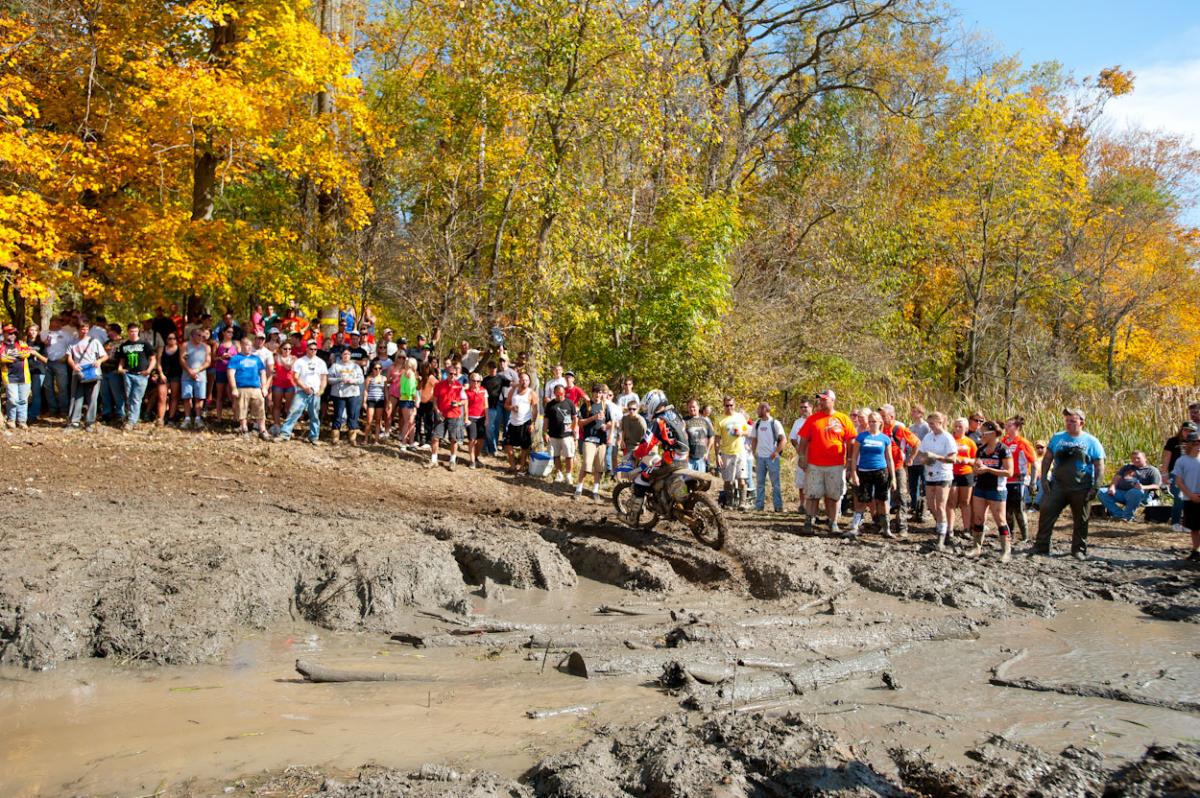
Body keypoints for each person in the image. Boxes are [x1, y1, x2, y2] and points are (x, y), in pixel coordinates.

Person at [1034, 407, 1106, 559]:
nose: (1069, 424)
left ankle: (1078, 550)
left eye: (1072, 421)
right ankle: (1041, 546)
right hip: (1058, 485)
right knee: (1046, 512)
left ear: (1081, 423)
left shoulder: (1092, 442)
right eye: (1067, 421)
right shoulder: (1057, 438)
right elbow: (1047, 458)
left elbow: (1099, 465)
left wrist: (1096, 486)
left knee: (1081, 519)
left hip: (1081, 486)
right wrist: (1044, 478)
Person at [796, 389, 855, 536]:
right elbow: (803, 440)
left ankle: (833, 522)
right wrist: (802, 457)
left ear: (832, 401)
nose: (821, 402)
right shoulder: (813, 419)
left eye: (824, 399)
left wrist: (849, 460)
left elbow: (851, 441)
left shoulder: (843, 418)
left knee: (833, 495)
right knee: (812, 494)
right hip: (814, 464)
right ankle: (809, 521)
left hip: (836, 464)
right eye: (820, 399)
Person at [625, 390, 690, 524]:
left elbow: (646, 444)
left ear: (652, 404)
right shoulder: (675, 414)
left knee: (642, 478)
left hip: (671, 460)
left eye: (647, 406)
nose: (646, 410)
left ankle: (633, 518)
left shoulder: (658, 421)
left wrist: (634, 455)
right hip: (684, 457)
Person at [967, 420, 1014, 561]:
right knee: (978, 518)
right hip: (980, 487)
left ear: (993, 433)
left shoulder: (1003, 450)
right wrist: (977, 469)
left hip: (997, 489)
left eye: (983, 433)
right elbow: (975, 470)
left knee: (1000, 519)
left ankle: (1006, 551)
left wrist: (988, 469)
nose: (981, 435)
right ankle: (976, 547)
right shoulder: (981, 449)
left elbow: (1009, 472)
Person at [847, 411, 894, 539]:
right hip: (864, 471)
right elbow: (854, 456)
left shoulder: (885, 438)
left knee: (882, 500)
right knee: (862, 500)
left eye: (875, 421)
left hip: (881, 471)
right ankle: (855, 527)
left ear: (880, 422)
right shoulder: (861, 437)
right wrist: (854, 473)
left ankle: (886, 528)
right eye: (870, 421)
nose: (872, 423)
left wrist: (893, 478)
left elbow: (889, 459)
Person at [917, 412, 958, 550]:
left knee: (941, 505)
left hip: (944, 474)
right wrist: (924, 459)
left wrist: (936, 457)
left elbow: (953, 459)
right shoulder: (928, 437)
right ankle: (942, 526)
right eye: (929, 424)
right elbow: (921, 454)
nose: (930, 426)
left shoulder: (947, 437)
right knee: (931, 504)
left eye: (932, 424)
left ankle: (941, 537)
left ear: (940, 423)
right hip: (930, 474)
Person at [276, 340, 328, 444]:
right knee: (294, 412)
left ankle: (314, 437)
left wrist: (321, 390)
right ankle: (285, 434)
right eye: (311, 349)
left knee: (314, 415)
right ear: (307, 349)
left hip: (315, 392)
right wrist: (304, 387)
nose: (313, 351)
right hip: (301, 391)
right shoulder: (300, 361)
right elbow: (295, 377)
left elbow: (323, 378)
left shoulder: (321, 362)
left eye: (315, 349)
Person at [879, 404, 920, 537]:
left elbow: (916, 443)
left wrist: (911, 458)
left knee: (902, 495)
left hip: (898, 466)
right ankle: (884, 524)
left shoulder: (899, 428)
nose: (881, 418)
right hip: (882, 466)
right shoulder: (879, 428)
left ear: (891, 416)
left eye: (883, 416)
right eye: (880, 415)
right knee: (883, 495)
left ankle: (902, 526)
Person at [65, 319, 106, 431]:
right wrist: (74, 366)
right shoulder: (72, 343)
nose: (85, 331)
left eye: (87, 329)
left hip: (93, 373)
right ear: (78, 329)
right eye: (82, 329)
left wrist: (99, 361)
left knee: (92, 398)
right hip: (78, 373)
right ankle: (75, 422)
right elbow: (69, 358)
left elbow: (105, 356)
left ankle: (89, 422)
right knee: (76, 397)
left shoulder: (94, 341)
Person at [1001, 416, 1037, 541]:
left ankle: (1025, 537)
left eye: (1009, 425)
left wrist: (1033, 482)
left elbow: (1034, 463)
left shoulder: (1023, 443)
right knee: (1007, 509)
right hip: (1005, 480)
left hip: (1018, 480)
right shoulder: (1003, 441)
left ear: (1017, 427)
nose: (1006, 427)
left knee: (1019, 509)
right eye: (1006, 425)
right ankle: (1010, 535)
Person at [1098, 451, 1162, 521]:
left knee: (1134, 492)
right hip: (1122, 493)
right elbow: (1117, 477)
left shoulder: (1152, 470)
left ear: (1145, 458)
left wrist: (1143, 487)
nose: (1135, 460)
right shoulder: (1127, 467)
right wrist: (1112, 487)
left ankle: (1127, 517)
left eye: (1138, 458)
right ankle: (1119, 514)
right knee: (1101, 491)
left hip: (1141, 495)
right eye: (1133, 458)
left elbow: (1157, 486)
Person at [115, 322, 157, 430]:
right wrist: (120, 368)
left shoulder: (145, 344)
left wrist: (148, 370)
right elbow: (122, 359)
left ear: (138, 331)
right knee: (129, 397)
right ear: (128, 332)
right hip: (128, 374)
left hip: (141, 375)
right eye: (131, 331)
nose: (133, 333)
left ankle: (132, 421)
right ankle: (131, 418)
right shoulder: (124, 345)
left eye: (135, 331)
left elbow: (153, 359)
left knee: (136, 398)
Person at [227, 337, 270, 439]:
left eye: (251, 345)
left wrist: (264, 387)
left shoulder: (256, 359)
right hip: (241, 388)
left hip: (256, 388)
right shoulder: (235, 358)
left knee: (260, 410)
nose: (249, 347)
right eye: (247, 345)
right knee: (242, 410)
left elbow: (263, 373)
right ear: (241, 346)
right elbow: (230, 374)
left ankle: (262, 430)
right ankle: (244, 429)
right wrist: (234, 388)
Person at [1162, 418, 1198, 532]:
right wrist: (1164, 473)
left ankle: (1187, 524)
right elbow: (1166, 458)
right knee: (1179, 497)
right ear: (1181, 430)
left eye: (1191, 431)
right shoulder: (1173, 441)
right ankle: (1175, 522)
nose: (1188, 433)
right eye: (1185, 430)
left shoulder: (1196, 443)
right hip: (1176, 473)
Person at [576, 384, 611, 500]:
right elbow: (580, 423)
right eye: (596, 392)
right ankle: (578, 489)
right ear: (592, 393)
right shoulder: (586, 405)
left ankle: (595, 491)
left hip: (601, 441)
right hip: (589, 439)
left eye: (600, 392)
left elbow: (611, 422)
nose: (597, 394)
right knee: (586, 464)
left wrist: (606, 426)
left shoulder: (605, 405)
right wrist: (593, 418)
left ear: (602, 394)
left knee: (599, 468)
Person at [430, 362, 467, 469]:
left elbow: (464, 400)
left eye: (455, 374)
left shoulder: (459, 386)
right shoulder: (439, 385)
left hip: (454, 415)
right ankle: (434, 460)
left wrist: (458, 404)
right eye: (451, 373)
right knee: (435, 437)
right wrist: (437, 411)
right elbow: (434, 400)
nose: (453, 376)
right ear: (446, 373)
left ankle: (452, 461)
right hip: (441, 415)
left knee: (453, 439)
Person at [750, 402, 786, 513]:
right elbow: (754, 439)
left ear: (765, 409)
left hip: (772, 458)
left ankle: (778, 507)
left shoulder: (775, 423)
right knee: (760, 483)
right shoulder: (757, 423)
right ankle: (759, 506)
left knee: (775, 484)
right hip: (760, 458)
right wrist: (754, 453)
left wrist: (776, 452)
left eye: (759, 409)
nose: (757, 411)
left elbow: (783, 439)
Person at [1170, 430, 1200, 561]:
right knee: (1194, 527)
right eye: (1195, 443)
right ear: (1189, 444)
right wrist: (1191, 495)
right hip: (1190, 498)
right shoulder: (1182, 461)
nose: (1198, 446)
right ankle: (1196, 550)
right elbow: (1179, 481)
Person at [716, 397, 750, 510]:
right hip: (726, 453)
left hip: (740, 452)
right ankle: (730, 503)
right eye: (727, 405)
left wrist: (741, 432)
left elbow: (747, 431)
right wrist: (717, 455)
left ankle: (742, 503)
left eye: (731, 405)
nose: (729, 407)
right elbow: (717, 439)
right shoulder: (720, 419)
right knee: (728, 481)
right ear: (724, 406)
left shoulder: (740, 417)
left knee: (742, 479)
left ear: (734, 405)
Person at [0, 325, 36, 428]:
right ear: (4, 334)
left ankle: (22, 421)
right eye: (9, 333)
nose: (12, 335)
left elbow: (26, 353)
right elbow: (1, 358)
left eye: (14, 333)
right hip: (9, 377)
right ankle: (11, 420)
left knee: (23, 400)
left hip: (24, 376)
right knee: (12, 399)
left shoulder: (21, 343)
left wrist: (12, 356)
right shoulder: (1, 345)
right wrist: (14, 357)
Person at [328, 347, 365, 445]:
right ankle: (335, 438)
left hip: (353, 394)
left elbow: (361, 379)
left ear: (350, 355)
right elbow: (329, 379)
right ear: (341, 355)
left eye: (348, 354)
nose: (346, 356)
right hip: (338, 395)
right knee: (338, 415)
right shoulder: (335, 366)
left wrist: (352, 381)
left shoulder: (356, 366)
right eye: (344, 354)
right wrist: (339, 379)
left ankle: (352, 438)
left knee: (352, 415)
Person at [948, 417, 977, 541]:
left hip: (966, 473)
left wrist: (968, 460)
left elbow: (977, 460)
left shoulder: (970, 442)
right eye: (956, 426)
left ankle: (966, 529)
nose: (958, 428)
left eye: (960, 426)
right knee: (951, 502)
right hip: (952, 473)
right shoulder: (949, 439)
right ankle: (949, 529)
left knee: (965, 502)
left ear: (966, 428)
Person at [543, 383, 578, 484]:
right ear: (554, 393)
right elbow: (546, 420)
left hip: (567, 435)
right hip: (553, 435)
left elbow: (575, 418)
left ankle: (568, 475)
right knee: (556, 455)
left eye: (561, 394)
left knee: (569, 455)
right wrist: (545, 432)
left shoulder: (569, 403)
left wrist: (574, 431)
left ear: (564, 393)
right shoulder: (550, 405)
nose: (559, 396)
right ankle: (559, 474)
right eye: (557, 394)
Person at [505, 371, 538, 475]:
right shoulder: (513, 390)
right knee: (508, 444)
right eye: (522, 379)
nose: (524, 382)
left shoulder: (532, 393)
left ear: (529, 382)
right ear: (519, 380)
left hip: (525, 422)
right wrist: (512, 407)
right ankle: (512, 465)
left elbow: (535, 409)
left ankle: (522, 466)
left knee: (524, 447)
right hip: (512, 422)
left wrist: (533, 423)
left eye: (526, 380)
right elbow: (506, 405)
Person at [180, 327, 212, 429]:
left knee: (199, 397)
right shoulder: (185, 345)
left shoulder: (206, 347)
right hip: (186, 375)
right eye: (199, 335)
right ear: (192, 335)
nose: (201, 337)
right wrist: (189, 370)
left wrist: (197, 370)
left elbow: (208, 362)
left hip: (200, 376)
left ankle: (198, 419)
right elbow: (181, 359)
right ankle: (187, 419)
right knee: (187, 397)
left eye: (203, 336)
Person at [209, 326, 238, 424]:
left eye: (232, 332)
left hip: (232, 372)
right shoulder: (218, 344)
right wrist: (221, 357)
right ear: (223, 332)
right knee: (219, 395)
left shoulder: (235, 344)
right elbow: (213, 358)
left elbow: (239, 359)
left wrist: (232, 357)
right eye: (228, 332)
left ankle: (235, 418)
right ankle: (219, 418)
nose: (230, 334)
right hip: (220, 371)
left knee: (233, 395)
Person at [481, 361, 510, 456]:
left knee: (490, 428)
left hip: (494, 407)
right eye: (491, 368)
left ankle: (493, 448)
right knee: (485, 427)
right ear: (488, 369)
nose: (492, 370)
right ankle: (485, 447)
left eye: (494, 368)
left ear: (496, 369)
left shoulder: (501, 378)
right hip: (483, 406)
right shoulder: (485, 380)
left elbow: (511, 384)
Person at [788, 399, 812, 513]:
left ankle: (811, 505)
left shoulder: (816, 420)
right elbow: (793, 438)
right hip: (802, 455)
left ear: (811, 407)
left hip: (814, 456)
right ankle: (802, 505)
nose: (803, 409)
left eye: (805, 407)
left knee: (813, 481)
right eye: (801, 407)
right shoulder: (798, 422)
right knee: (801, 482)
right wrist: (799, 449)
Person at [907, 405, 930, 521]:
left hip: (923, 460)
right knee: (913, 485)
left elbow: (928, 442)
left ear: (921, 413)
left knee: (925, 485)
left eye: (915, 411)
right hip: (912, 460)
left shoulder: (926, 427)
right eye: (912, 411)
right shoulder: (910, 427)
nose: (912, 413)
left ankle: (926, 508)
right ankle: (915, 506)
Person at [154, 331, 182, 426]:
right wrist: (161, 374)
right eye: (169, 338)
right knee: (161, 397)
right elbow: (158, 363)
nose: (171, 340)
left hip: (176, 375)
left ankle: (171, 418)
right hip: (164, 375)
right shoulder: (162, 349)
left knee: (174, 397)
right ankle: (160, 418)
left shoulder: (180, 349)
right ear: (166, 340)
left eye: (174, 338)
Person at [269, 340, 296, 435]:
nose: (287, 350)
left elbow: (289, 367)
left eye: (289, 349)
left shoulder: (293, 358)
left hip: (290, 384)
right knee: (277, 405)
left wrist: (280, 359)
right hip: (278, 384)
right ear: (281, 349)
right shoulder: (275, 357)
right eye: (285, 349)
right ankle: (277, 425)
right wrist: (273, 373)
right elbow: (270, 368)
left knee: (289, 407)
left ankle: (287, 427)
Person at [22, 323, 47, 424]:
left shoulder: (42, 344)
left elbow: (46, 360)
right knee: (24, 394)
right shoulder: (23, 343)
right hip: (25, 370)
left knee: (36, 393)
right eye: (31, 330)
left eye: (35, 330)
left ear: (38, 332)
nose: (33, 332)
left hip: (38, 371)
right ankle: (23, 415)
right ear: (28, 331)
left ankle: (33, 415)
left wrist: (36, 353)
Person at [684, 398, 715, 473]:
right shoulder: (683, 421)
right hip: (688, 458)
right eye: (690, 407)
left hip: (701, 458)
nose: (692, 409)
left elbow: (711, 437)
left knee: (700, 479)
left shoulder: (705, 421)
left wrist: (707, 452)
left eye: (693, 407)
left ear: (698, 407)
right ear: (687, 408)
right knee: (689, 479)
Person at [464, 371, 488, 468]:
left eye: (478, 381)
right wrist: (466, 418)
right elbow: (465, 406)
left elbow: (486, 405)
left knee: (481, 440)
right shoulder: (466, 392)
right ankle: (472, 461)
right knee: (472, 440)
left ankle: (476, 457)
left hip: (481, 418)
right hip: (471, 418)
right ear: (470, 381)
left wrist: (487, 419)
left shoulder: (483, 391)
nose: (476, 383)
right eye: (474, 381)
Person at [364, 361, 388, 444]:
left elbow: (386, 391)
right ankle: (366, 439)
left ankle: (376, 440)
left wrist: (388, 401)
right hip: (371, 400)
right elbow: (366, 390)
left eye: (379, 368)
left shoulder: (384, 378)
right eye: (375, 368)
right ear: (372, 369)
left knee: (378, 420)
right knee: (369, 420)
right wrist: (364, 401)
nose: (378, 370)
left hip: (380, 400)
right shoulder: (369, 378)